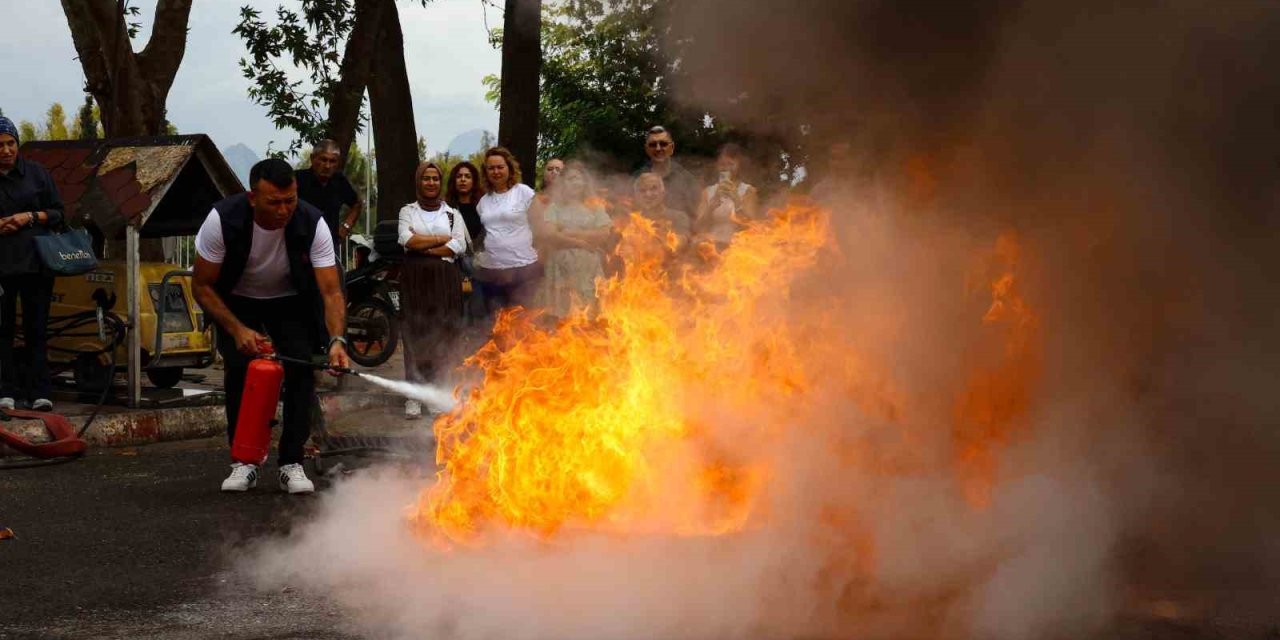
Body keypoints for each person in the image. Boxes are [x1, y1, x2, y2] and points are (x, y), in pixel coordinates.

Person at [192, 158, 350, 494]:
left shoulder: (313, 222)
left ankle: (292, 461)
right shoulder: (221, 219)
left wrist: (337, 339)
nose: (283, 210)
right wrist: (237, 330)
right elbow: (202, 286)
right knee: (240, 370)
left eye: (290, 200)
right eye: (274, 202)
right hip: (236, 299)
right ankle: (244, 461)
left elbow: (331, 291)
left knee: (302, 369)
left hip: (291, 299)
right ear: (253, 198)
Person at [0, 116, 63, 413]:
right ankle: (6, 391)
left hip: (37, 264)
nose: (6, 150)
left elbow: (58, 213)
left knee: (36, 329)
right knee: (3, 330)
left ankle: (40, 391)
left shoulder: (37, 174)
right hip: (2, 266)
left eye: (11, 143)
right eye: (0, 145)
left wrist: (29, 217)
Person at [397, 162, 467, 419]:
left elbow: (457, 246)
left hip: (444, 280)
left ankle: (436, 393)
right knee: (415, 334)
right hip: (414, 279)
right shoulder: (407, 211)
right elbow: (406, 239)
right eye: (426, 178)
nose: (430, 183)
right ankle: (414, 396)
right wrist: (440, 239)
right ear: (419, 182)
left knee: (442, 334)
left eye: (435, 179)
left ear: (440, 182)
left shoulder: (452, 215)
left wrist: (423, 246)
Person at [530, 161, 613, 317]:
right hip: (560, 265)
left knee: (588, 311)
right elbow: (551, 235)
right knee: (563, 313)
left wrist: (569, 231)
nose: (574, 182)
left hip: (588, 265)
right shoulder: (554, 208)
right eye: (570, 179)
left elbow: (603, 234)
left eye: (578, 178)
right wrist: (580, 242)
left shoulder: (595, 207)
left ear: (584, 182)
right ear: (563, 183)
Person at [473, 147, 542, 315]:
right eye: (491, 168)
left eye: (500, 167)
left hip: (523, 270)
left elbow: (540, 226)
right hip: (492, 273)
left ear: (509, 168)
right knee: (498, 323)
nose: (496, 171)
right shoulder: (483, 202)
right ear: (486, 172)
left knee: (524, 322)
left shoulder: (524, 193)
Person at [295, 139, 362, 256]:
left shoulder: (340, 182)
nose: (327, 166)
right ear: (312, 158)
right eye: (323, 159)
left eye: (332, 161)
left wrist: (346, 227)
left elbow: (356, 204)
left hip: (329, 246)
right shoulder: (297, 179)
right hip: (299, 247)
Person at [694, 143, 760, 250]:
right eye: (722, 164)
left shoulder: (748, 191)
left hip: (738, 249)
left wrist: (736, 200)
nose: (726, 168)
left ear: (738, 165)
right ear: (717, 165)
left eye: (731, 164)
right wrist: (710, 208)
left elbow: (751, 227)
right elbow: (698, 228)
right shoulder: (707, 192)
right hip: (711, 248)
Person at [445, 161, 486, 322]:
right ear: (454, 181)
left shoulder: (483, 206)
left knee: (479, 311)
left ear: (474, 181)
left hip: (480, 267)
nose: (463, 179)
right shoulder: (446, 209)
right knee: (457, 314)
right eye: (459, 176)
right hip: (454, 268)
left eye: (467, 176)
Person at [634, 126, 700, 215]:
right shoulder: (637, 177)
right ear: (647, 149)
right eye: (653, 145)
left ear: (672, 147)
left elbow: (695, 215)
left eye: (663, 144)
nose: (658, 148)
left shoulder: (687, 179)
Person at [633, 172, 692, 244]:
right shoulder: (631, 220)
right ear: (636, 196)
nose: (648, 194)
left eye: (653, 189)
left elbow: (680, 244)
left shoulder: (679, 217)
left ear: (663, 192)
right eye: (642, 190)